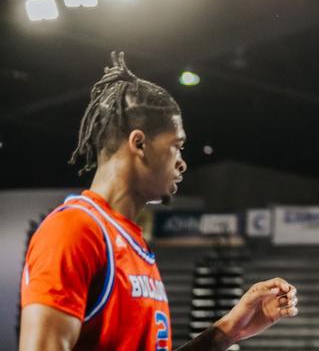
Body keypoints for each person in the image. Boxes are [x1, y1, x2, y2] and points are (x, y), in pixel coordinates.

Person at [19, 52, 299, 351]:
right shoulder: (74, 230)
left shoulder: (133, 244)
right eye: (176, 147)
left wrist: (227, 331)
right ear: (139, 144)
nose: (182, 164)